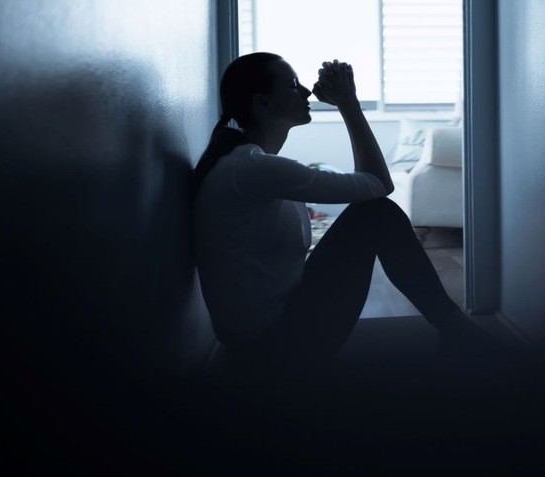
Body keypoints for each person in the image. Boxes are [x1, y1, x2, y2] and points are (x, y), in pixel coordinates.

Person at [192, 52, 506, 378]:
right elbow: (378, 185)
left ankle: (454, 329)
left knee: (371, 212)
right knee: (376, 213)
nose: (306, 93)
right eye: (292, 85)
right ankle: (455, 330)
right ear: (263, 104)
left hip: (263, 340)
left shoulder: (244, 164)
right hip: (270, 351)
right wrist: (348, 104)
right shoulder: (251, 168)